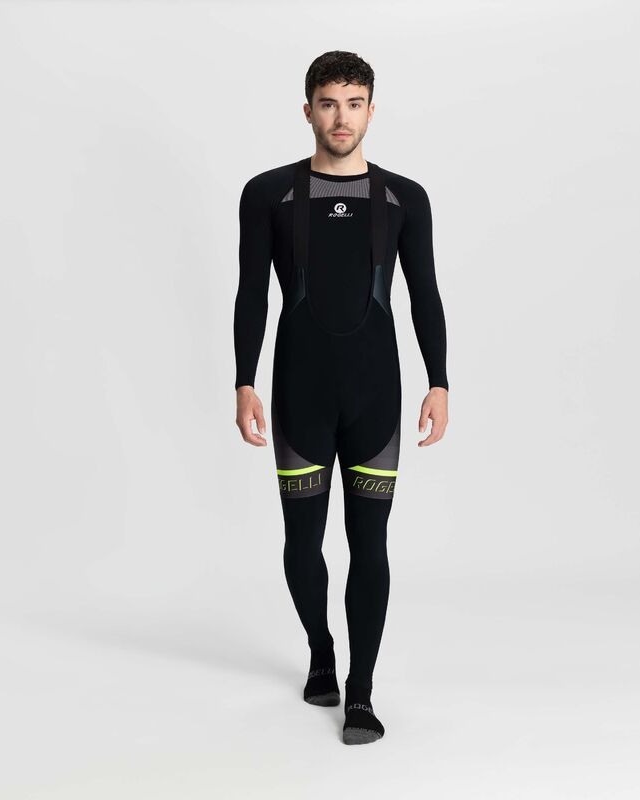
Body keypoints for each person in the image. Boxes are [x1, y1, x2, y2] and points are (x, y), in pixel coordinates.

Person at [233, 50, 449, 745]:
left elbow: (425, 294)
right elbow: (251, 293)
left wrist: (439, 381)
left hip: (375, 397)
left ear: (371, 112)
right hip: (299, 393)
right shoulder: (269, 194)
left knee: (369, 544)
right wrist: (244, 380)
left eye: (354, 104)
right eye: (328, 103)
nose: (341, 117)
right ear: (308, 111)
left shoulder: (403, 199)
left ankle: (361, 693)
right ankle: (321, 652)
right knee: (302, 541)